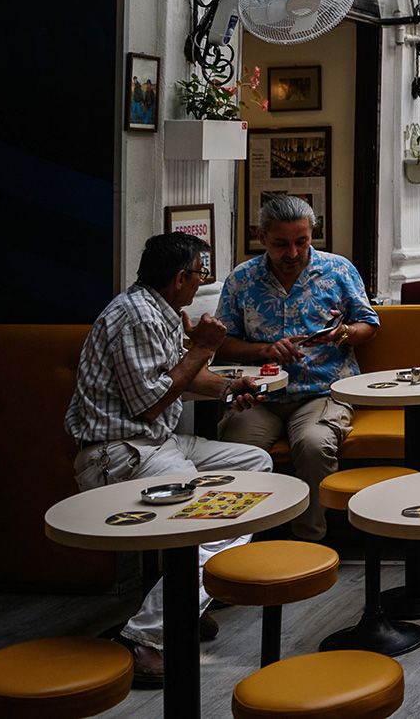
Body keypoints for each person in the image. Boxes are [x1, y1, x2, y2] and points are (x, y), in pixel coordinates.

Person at [66, 233, 274, 687]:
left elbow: (177, 377)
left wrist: (226, 387)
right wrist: (202, 346)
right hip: (120, 453)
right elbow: (151, 403)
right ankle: (147, 639)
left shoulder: (157, 310)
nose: (202, 283)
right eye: (200, 275)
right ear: (181, 277)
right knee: (208, 518)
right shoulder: (135, 317)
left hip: (157, 444)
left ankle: (185, 599)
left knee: (255, 467)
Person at [214, 195, 379, 542]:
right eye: (281, 244)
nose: (292, 253)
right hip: (263, 393)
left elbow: (369, 325)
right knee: (237, 446)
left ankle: (310, 541)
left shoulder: (338, 270)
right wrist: (264, 349)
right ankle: (238, 542)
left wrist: (341, 334)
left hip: (323, 390)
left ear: (312, 236)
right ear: (262, 239)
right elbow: (223, 342)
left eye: (301, 242)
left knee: (314, 444)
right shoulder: (242, 280)